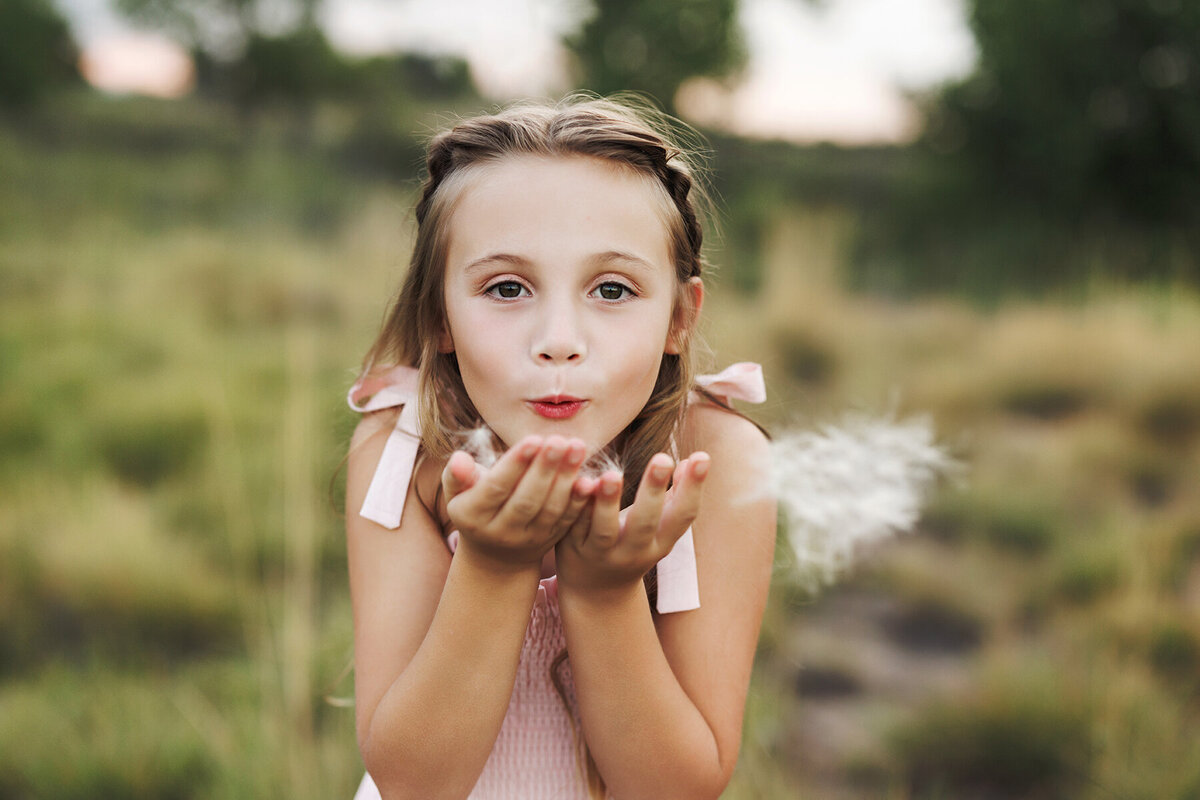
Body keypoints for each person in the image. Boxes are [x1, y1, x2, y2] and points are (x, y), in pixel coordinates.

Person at [344, 95, 776, 800]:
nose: (558, 340)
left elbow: (674, 787)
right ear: (439, 315)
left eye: (611, 289)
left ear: (678, 317)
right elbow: (413, 783)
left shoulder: (716, 461)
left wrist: (605, 593)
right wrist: (493, 564)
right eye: (507, 287)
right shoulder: (404, 447)